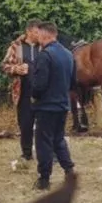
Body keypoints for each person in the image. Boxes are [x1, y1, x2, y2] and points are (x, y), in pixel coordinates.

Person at [30, 21, 76, 191]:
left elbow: (39, 85)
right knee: (58, 139)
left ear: (45, 35)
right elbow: (73, 82)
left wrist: (34, 97)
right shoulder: (68, 54)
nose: (36, 37)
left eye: (38, 34)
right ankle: (69, 170)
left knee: (43, 142)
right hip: (63, 104)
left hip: (46, 106)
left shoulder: (45, 55)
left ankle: (44, 179)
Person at [2, 20, 41, 161]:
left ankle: (45, 152)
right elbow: (4, 65)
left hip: (42, 93)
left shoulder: (44, 46)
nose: (39, 34)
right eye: (37, 32)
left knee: (44, 125)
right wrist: (15, 69)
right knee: (25, 124)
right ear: (29, 32)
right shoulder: (16, 47)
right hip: (23, 92)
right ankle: (26, 153)